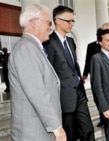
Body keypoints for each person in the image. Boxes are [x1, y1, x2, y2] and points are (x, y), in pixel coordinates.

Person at [8, 4, 66, 141]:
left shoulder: (32, 48)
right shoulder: (26, 48)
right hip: (33, 133)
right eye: (48, 23)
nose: (51, 28)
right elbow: (37, 92)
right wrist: (57, 127)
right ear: (33, 23)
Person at [43, 5, 94, 141]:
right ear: (57, 21)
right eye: (69, 21)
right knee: (69, 134)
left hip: (79, 93)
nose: (72, 24)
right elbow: (48, 74)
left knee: (88, 130)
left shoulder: (71, 41)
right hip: (64, 98)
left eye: (73, 21)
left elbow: (73, 66)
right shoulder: (49, 43)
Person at [83, 23, 109, 128]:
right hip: (97, 77)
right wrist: (84, 75)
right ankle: (103, 116)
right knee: (98, 97)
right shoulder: (92, 46)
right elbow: (88, 61)